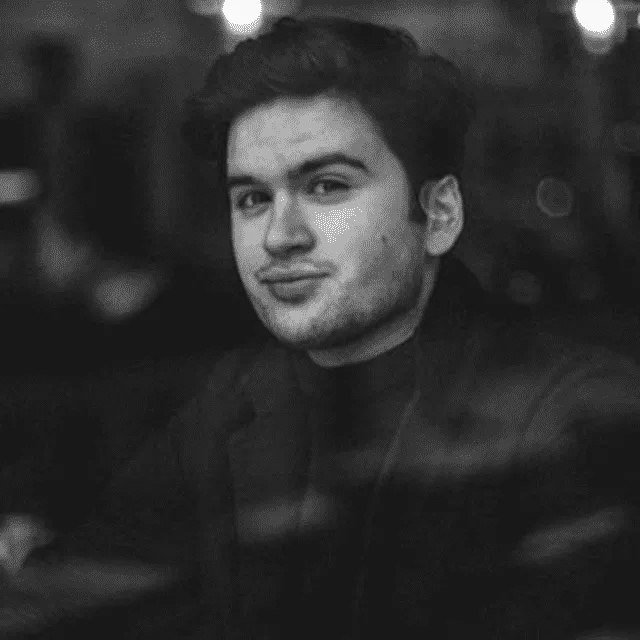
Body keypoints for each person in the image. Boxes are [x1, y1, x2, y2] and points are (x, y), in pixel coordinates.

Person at [2, 15, 640, 639]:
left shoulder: (574, 413)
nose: (279, 236)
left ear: (440, 215)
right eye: (253, 198)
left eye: (328, 187)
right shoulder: (233, 401)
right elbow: (112, 559)